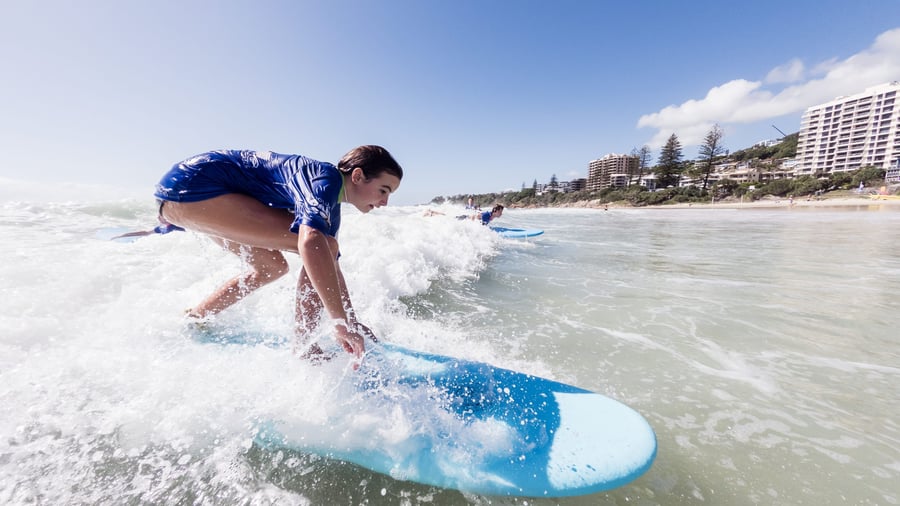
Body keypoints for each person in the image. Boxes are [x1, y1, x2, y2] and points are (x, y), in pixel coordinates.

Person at [154, 146, 403, 362]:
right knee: (319, 246)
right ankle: (305, 347)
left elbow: (330, 265)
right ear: (358, 176)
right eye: (384, 190)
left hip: (184, 197)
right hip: (193, 188)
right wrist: (340, 325)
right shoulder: (323, 181)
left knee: (273, 267)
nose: (385, 202)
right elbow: (311, 243)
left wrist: (351, 320)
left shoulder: (329, 203)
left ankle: (195, 317)